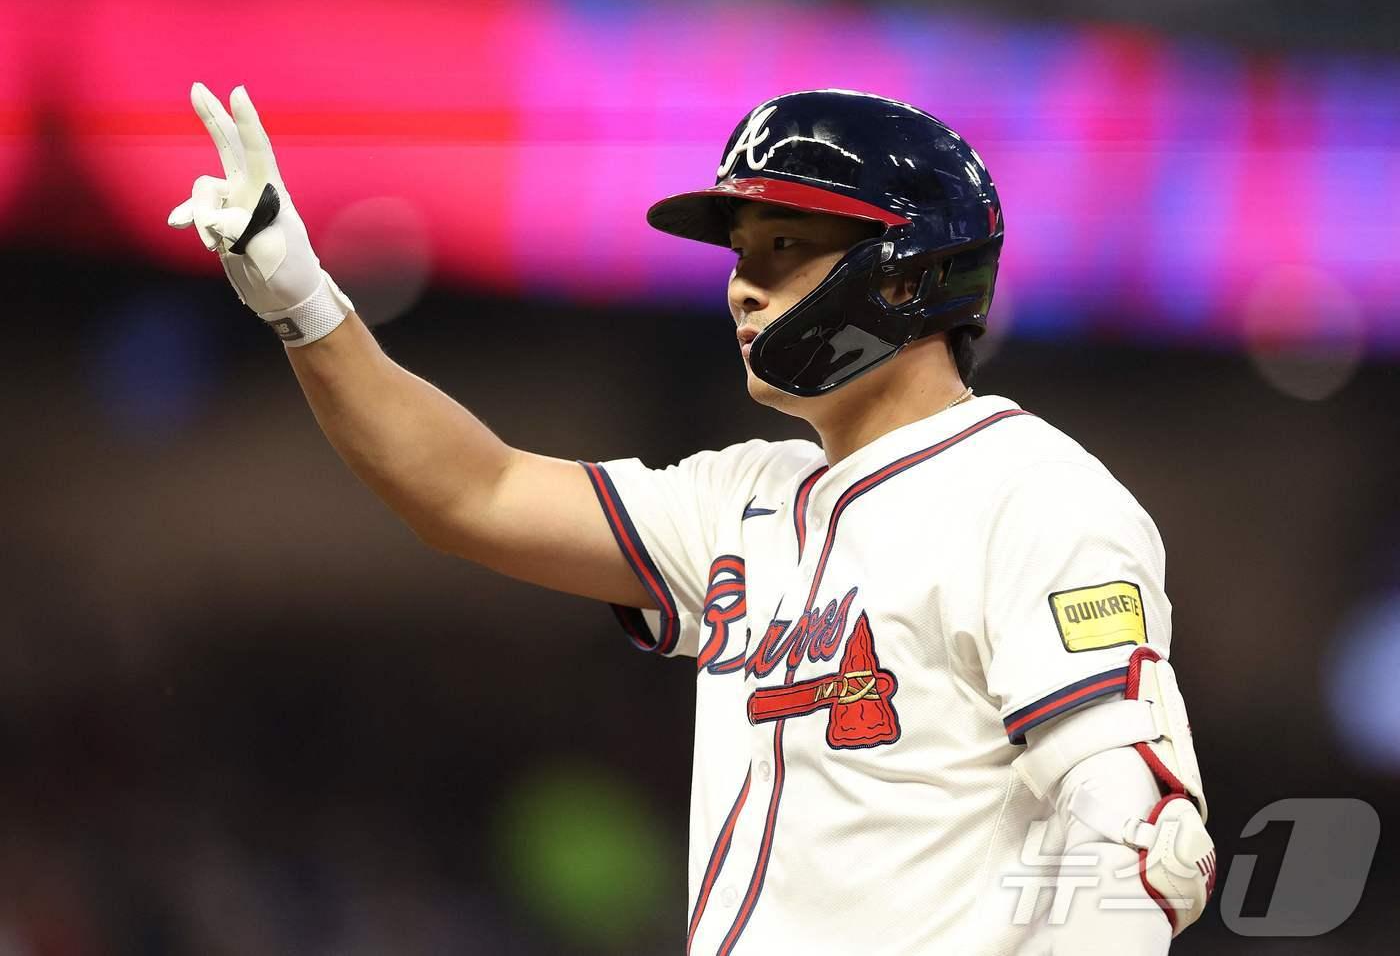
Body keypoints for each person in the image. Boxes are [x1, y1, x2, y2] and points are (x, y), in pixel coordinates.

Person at [169, 84, 1216, 954]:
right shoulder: (739, 499)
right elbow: (469, 493)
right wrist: (302, 299)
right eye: (737, 255)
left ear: (905, 270)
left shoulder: (1032, 497)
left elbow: (1140, 837)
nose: (739, 290)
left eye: (781, 247)